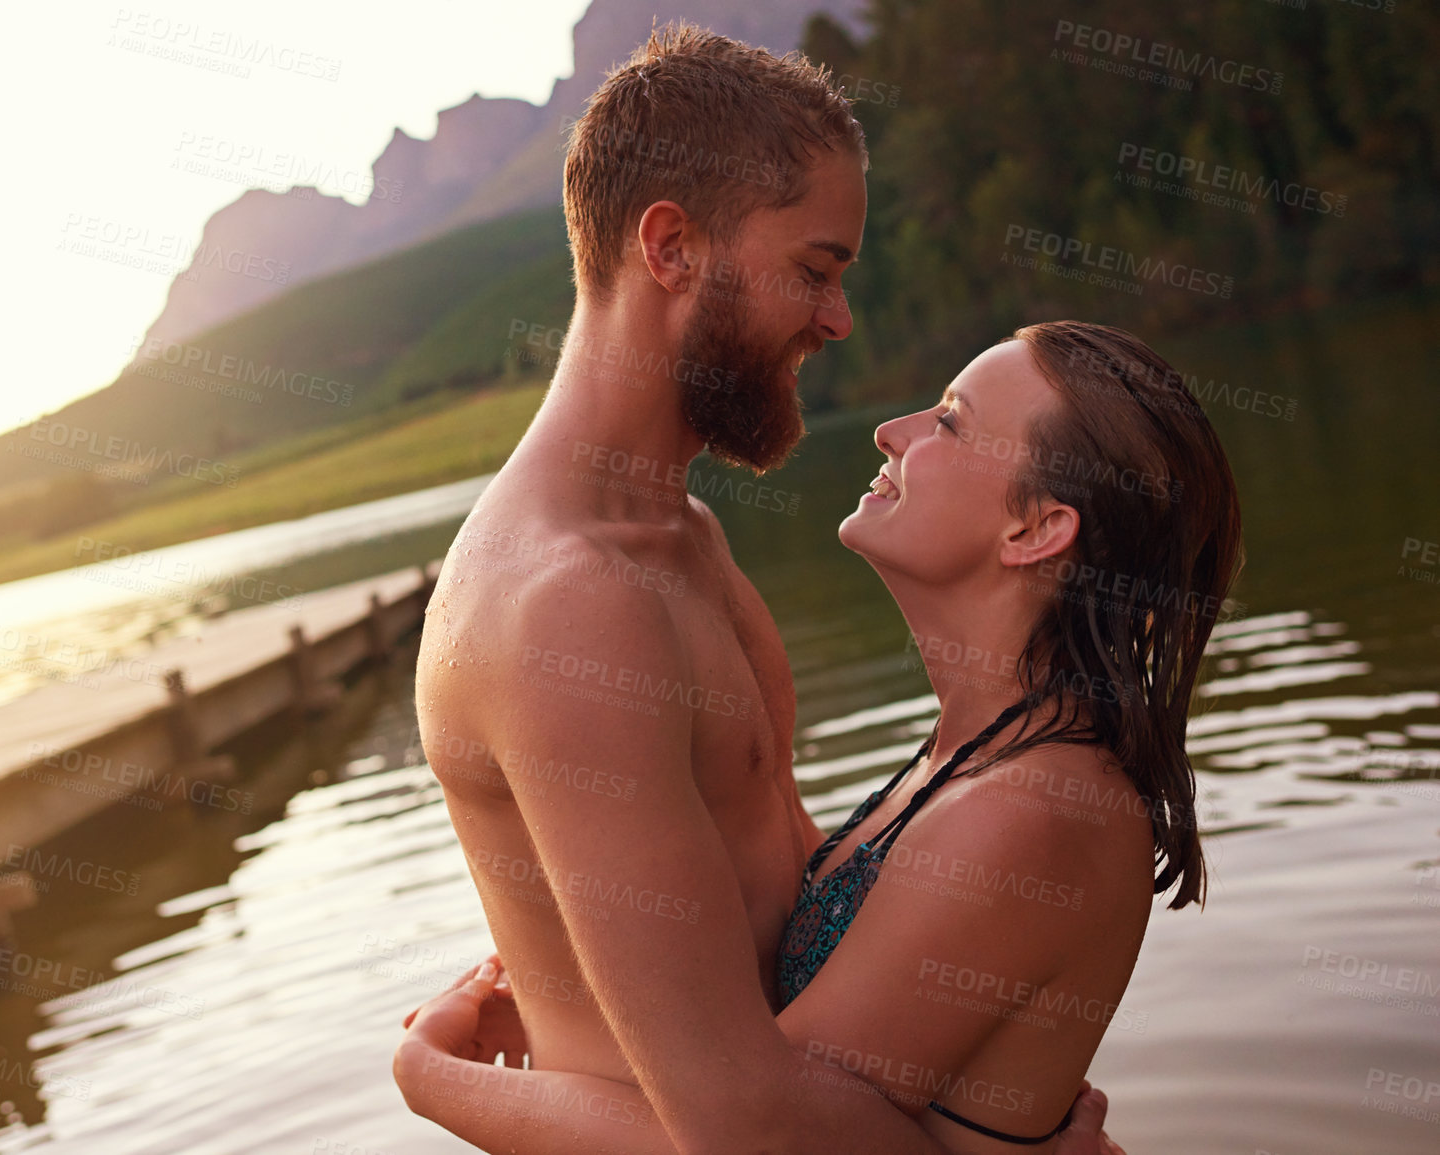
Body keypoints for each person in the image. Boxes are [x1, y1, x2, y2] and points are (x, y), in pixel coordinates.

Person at [394, 22, 1229, 1154]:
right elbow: (737, 1124)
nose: (835, 320)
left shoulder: (682, 540)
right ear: (673, 248)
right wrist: (430, 1077)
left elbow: (781, 911)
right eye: (814, 271)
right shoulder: (568, 603)